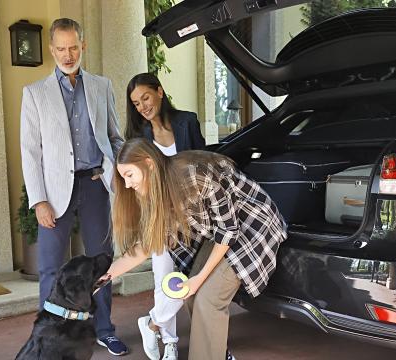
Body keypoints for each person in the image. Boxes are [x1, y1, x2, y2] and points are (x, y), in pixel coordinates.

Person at [103, 138, 287, 360]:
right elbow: (145, 247)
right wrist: (105, 276)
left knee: (208, 297)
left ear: (149, 163)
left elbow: (228, 230)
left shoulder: (193, 176)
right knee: (189, 291)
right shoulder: (154, 193)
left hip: (252, 225)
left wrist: (199, 279)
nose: (126, 184)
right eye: (123, 177)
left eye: (129, 175)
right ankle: (216, 353)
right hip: (220, 233)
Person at [20, 18, 127, 356]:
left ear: (84, 46)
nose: (68, 55)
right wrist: (38, 200)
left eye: (73, 47)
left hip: (95, 186)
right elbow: (30, 151)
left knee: (102, 265)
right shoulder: (35, 93)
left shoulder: (101, 86)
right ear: (52, 50)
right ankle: (48, 334)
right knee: (50, 267)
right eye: (61, 49)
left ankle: (103, 329)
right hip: (53, 193)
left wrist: (115, 174)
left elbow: (115, 137)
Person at [125, 72, 205, 360]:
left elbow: (202, 163)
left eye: (145, 97)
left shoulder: (187, 122)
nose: (142, 106)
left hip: (192, 215)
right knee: (164, 277)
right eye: (136, 103)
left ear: (160, 91)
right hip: (158, 215)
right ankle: (169, 342)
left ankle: (151, 323)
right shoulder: (140, 137)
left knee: (186, 277)